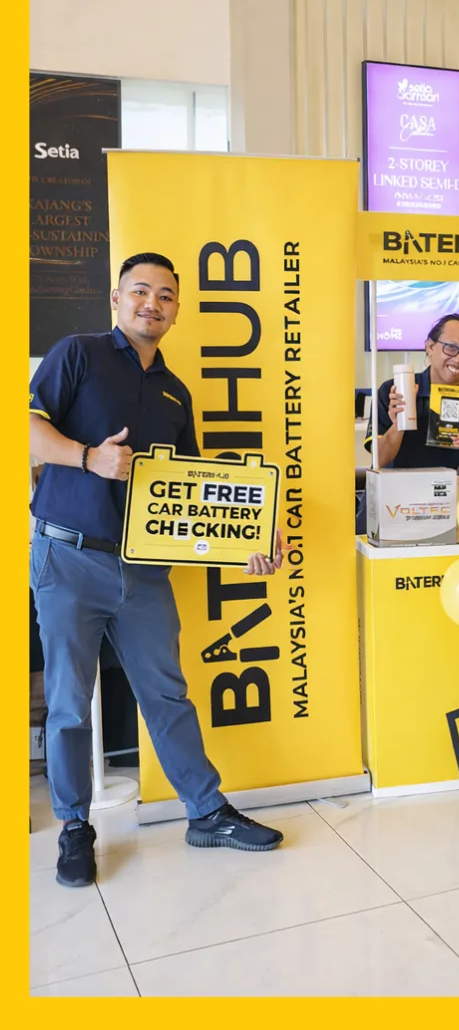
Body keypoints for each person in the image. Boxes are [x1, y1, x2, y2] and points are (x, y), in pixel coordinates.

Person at [29, 253, 287, 888]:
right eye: (140, 291)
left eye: (166, 295)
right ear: (116, 299)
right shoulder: (76, 353)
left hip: (143, 571)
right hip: (68, 556)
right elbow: (24, 430)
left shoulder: (176, 391)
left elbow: (198, 495)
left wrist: (248, 536)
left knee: (167, 695)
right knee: (67, 703)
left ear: (177, 310)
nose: (153, 302)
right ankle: (74, 827)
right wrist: (88, 458)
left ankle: (206, 812)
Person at [365, 313, 459, 486]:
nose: (458, 359)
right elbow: (380, 461)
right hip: (393, 500)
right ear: (430, 346)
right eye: (451, 348)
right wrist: (399, 424)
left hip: (446, 502)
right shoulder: (394, 391)